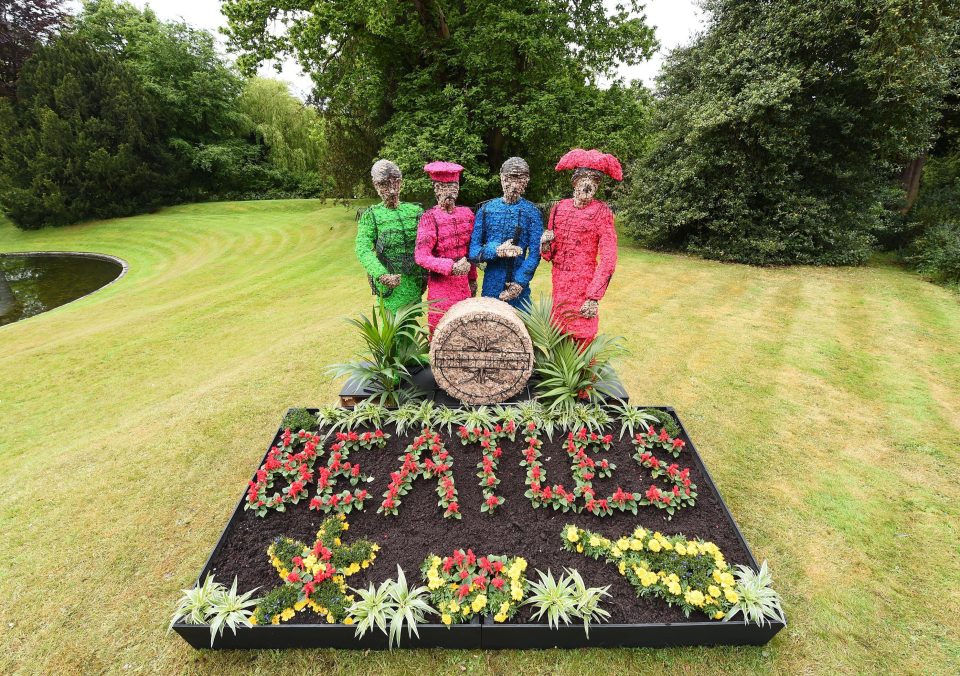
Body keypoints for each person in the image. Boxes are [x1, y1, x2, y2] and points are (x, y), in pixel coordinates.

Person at [540, 149, 621, 343]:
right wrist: (545, 244)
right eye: (583, 177)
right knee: (557, 334)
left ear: (598, 185)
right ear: (574, 181)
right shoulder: (559, 207)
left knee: (582, 335)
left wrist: (594, 297)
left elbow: (608, 259)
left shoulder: (602, 212)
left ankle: (582, 374)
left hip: (584, 286)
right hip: (559, 284)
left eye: (594, 179)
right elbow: (549, 255)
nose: (587, 184)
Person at [468, 157, 543, 309]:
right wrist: (496, 250)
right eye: (510, 178)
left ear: (527, 181)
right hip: (491, 285)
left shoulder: (532, 212)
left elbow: (535, 254)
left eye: (520, 179)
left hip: (518, 288)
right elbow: (473, 251)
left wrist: (519, 283)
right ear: (502, 178)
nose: (514, 185)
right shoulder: (486, 210)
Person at [414, 161, 477, 333]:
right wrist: (450, 267)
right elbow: (421, 256)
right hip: (440, 289)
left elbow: (469, 250)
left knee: (466, 333)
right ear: (435, 188)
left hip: (464, 287)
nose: (448, 191)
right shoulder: (429, 218)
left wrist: (472, 279)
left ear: (458, 187)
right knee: (441, 333)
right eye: (443, 186)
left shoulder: (467, 215)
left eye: (453, 186)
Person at [354, 160, 425, 311]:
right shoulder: (371, 215)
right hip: (389, 287)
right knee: (393, 329)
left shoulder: (415, 211)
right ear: (376, 185)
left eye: (396, 183)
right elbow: (363, 249)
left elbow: (428, 244)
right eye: (385, 184)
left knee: (411, 327)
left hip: (414, 283)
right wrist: (381, 274)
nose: (392, 190)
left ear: (401, 183)